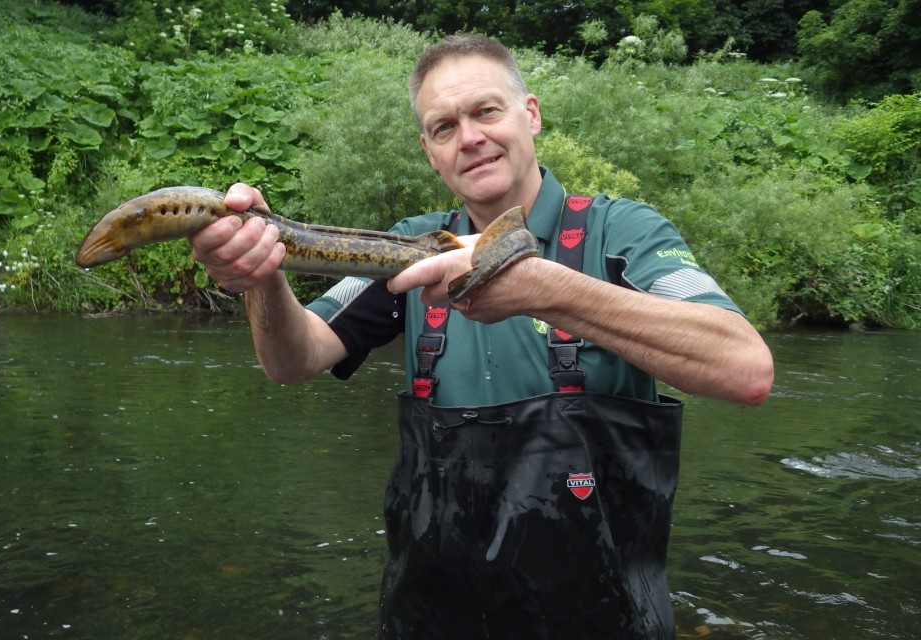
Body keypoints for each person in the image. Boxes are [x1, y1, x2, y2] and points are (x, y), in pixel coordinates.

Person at [190, 34, 773, 640]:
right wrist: (260, 276)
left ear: (531, 114)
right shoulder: (408, 250)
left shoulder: (623, 231)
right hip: (430, 614)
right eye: (444, 127)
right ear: (429, 152)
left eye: (486, 111)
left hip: (604, 618)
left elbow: (745, 368)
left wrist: (544, 287)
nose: (469, 137)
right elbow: (295, 358)